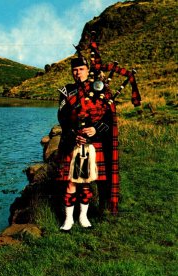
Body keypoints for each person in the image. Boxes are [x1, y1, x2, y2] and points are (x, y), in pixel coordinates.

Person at [56, 36, 141, 231]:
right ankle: (68, 220)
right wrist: (73, 133)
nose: (78, 73)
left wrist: (95, 129)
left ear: (88, 70)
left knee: (86, 182)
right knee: (70, 182)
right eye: (74, 70)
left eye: (81, 69)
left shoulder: (100, 89)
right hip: (73, 141)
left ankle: (84, 218)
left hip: (93, 143)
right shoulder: (66, 91)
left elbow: (108, 120)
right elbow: (62, 117)